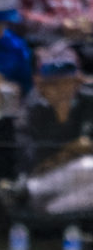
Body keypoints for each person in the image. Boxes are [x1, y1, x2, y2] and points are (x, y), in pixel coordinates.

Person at [16, 44, 93, 216]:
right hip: (39, 187)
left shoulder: (88, 102)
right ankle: (46, 213)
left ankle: (57, 215)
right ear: (41, 85)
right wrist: (69, 150)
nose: (62, 89)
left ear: (77, 81)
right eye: (54, 84)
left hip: (79, 191)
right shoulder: (30, 111)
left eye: (68, 82)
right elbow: (31, 163)